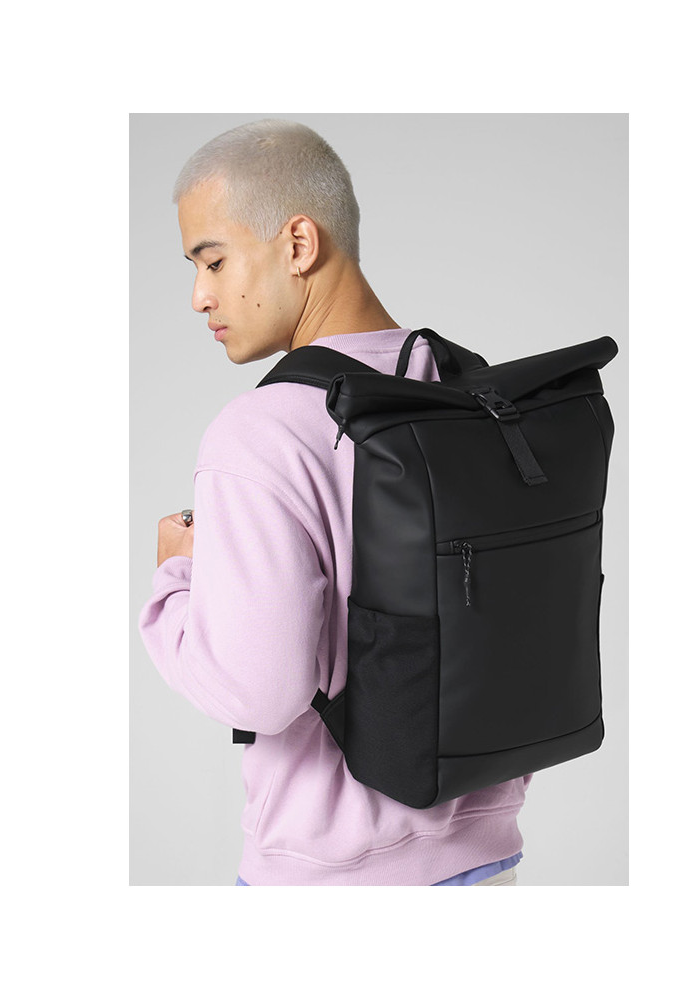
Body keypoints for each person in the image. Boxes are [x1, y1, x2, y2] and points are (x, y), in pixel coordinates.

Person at [137, 119, 528, 885]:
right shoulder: (464, 389)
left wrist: (176, 581)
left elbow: (260, 694)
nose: (199, 296)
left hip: (331, 881)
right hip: (489, 859)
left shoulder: (261, 431)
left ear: (297, 243)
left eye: (212, 260)